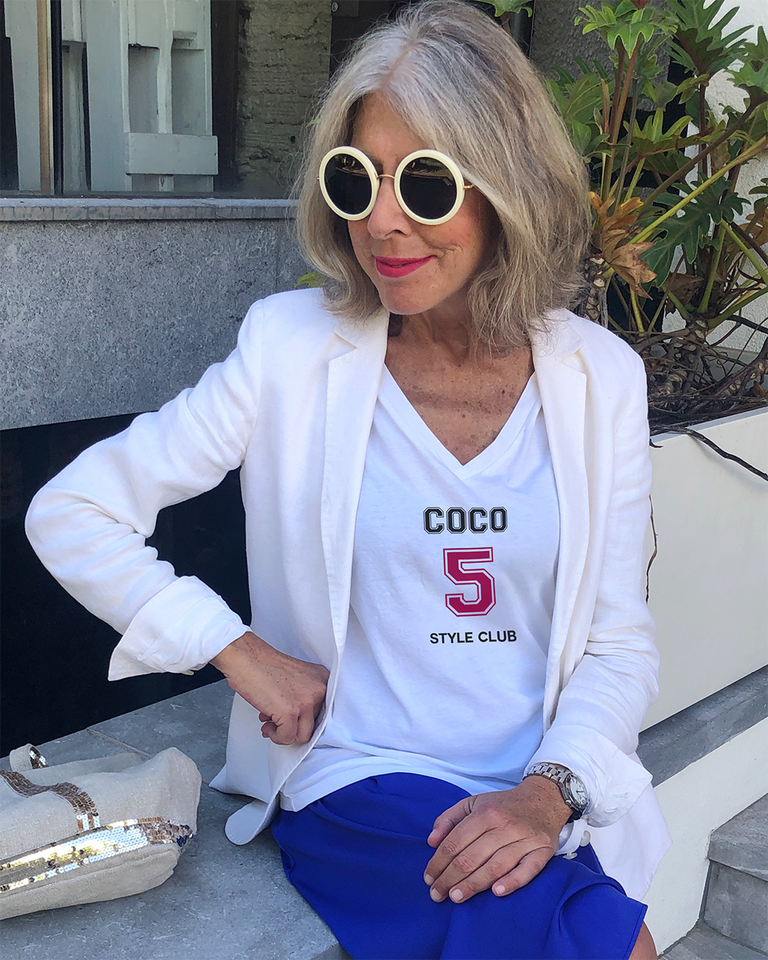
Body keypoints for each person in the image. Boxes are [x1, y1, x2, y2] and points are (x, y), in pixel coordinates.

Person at [25, 2, 671, 957]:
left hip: (540, 778)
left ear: (511, 188)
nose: (381, 221)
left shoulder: (597, 378)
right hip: (359, 771)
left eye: (427, 183)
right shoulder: (290, 350)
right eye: (354, 178)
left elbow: (618, 644)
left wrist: (551, 790)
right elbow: (74, 510)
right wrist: (235, 648)